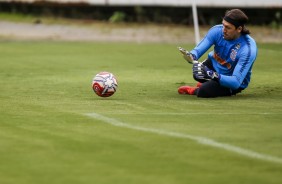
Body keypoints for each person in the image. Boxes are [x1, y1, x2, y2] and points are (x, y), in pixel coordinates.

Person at [178, 9, 258, 98]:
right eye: (223, 25)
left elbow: (235, 82)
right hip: (214, 65)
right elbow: (198, 50)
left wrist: (213, 75)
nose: (223, 30)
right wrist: (191, 56)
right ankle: (210, 83)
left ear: (239, 29)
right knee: (197, 73)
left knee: (203, 91)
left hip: (231, 79)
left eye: (228, 27)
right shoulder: (217, 30)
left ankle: (194, 90)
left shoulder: (248, 49)